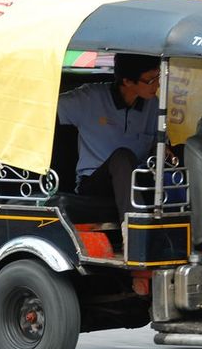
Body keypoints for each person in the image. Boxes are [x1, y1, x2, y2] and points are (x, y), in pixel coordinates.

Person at [57, 53, 161, 222]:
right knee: (122, 156)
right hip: (95, 183)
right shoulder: (88, 98)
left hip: (137, 181)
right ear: (127, 81)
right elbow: (44, 108)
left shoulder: (154, 105)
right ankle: (136, 231)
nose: (157, 84)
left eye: (158, 76)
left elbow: (157, 144)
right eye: (150, 80)